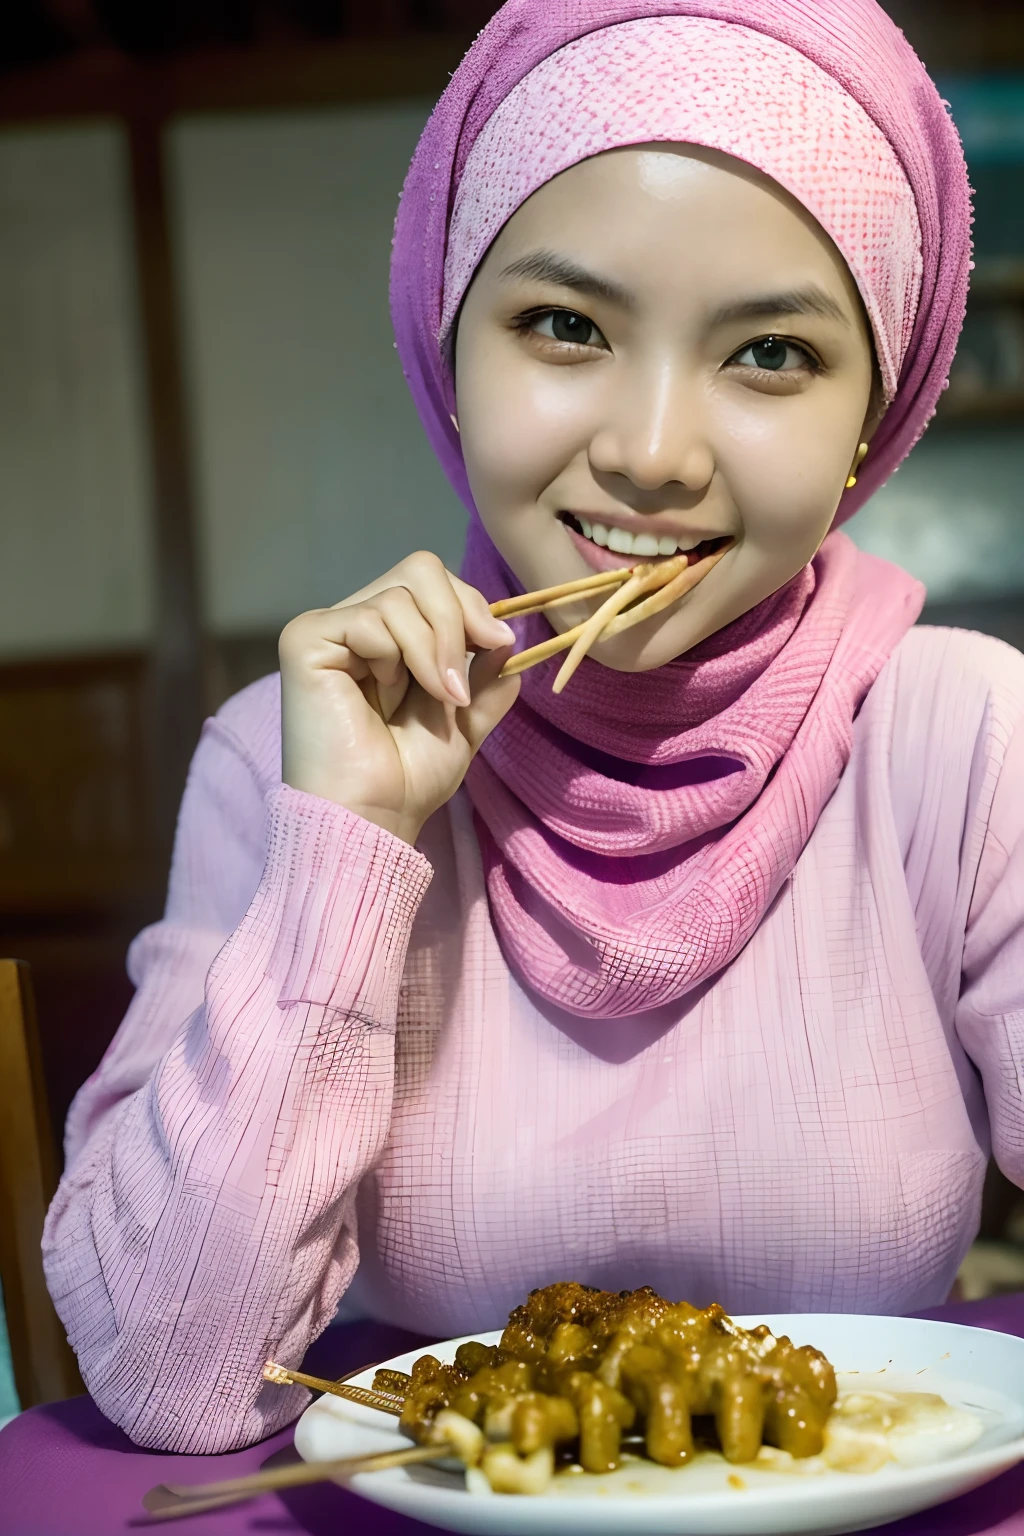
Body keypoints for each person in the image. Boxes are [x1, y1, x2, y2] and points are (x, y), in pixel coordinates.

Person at [43, 0, 1024, 1456]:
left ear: (872, 421)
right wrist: (350, 847)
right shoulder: (289, 758)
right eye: (564, 326)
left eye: (770, 354)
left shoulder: (964, 734)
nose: (648, 452)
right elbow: (173, 1383)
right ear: (448, 348)